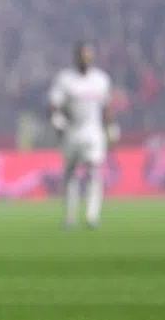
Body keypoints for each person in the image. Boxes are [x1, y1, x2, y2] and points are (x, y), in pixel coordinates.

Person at [48, 42, 117, 228]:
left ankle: (91, 216)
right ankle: (70, 215)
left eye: (88, 56)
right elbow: (54, 104)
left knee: (93, 171)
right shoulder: (65, 79)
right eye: (82, 56)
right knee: (70, 172)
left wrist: (111, 127)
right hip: (72, 130)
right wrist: (56, 120)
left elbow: (107, 107)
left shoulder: (101, 79)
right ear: (76, 57)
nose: (85, 59)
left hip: (93, 130)